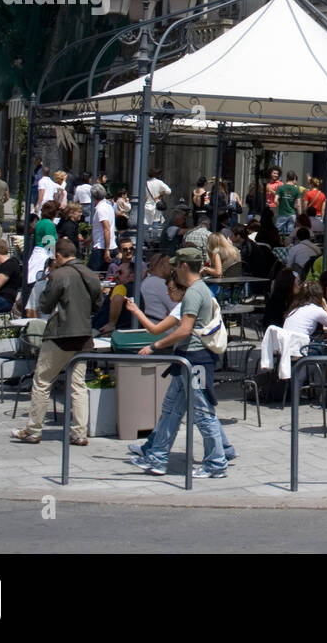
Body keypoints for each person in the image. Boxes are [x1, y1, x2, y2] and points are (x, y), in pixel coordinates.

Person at [128, 248, 233, 478]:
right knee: (170, 411)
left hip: (195, 360)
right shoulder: (199, 289)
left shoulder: (194, 293)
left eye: (176, 265)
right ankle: (157, 458)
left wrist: (155, 346)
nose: (174, 269)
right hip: (188, 359)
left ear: (185, 266)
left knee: (203, 413)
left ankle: (216, 462)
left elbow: (185, 330)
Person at [10, 238, 100, 445]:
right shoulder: (91, 274)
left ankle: (33, 430)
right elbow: (97, 304)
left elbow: (46, 305)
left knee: (42, 381)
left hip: (60, 334)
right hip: (84, 335)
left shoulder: (58, 275)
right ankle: (79, 433)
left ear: (58, 256)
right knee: (78, 385)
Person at [28, 200, 59, 283]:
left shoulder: (40, 222)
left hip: (37, 251)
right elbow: (50, 242)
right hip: (44, 253)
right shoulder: (49, 224)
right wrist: (54, 258)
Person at [88, 184, 116, 273]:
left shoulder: (101, 209)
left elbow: (106, 229)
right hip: (108, 246)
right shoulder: (109, 207)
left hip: (101, 248)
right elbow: (99, 229)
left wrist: (106, 250)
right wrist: (88, 240)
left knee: (91, 274)